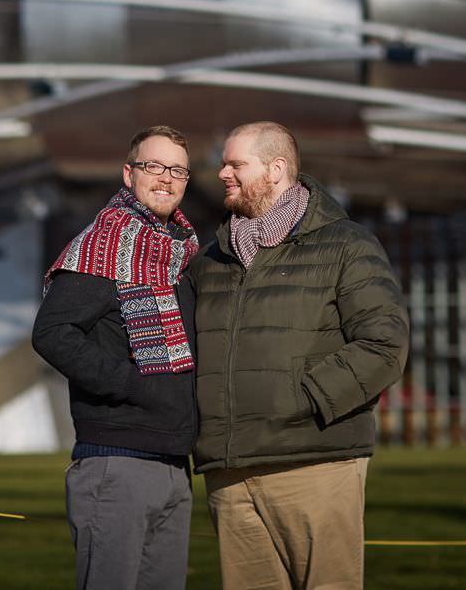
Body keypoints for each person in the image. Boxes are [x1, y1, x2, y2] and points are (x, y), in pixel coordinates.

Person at [191, 121, 410, 590]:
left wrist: (302, 401)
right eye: (223, 163)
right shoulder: (210, 262)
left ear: (276, 169)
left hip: (314, 462)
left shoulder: (346, 244)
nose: (222, 173)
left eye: (236, 164)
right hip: (228, 473)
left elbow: (384, 344)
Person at [32, 126, 199, 590]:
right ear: (129, 174)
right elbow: (51, 332)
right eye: (153, 166)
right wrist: (130, 384)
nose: (165, 178)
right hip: (116, 464)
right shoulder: (102, 248)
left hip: (173, 465)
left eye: (178, 170)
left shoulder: (178, 256)